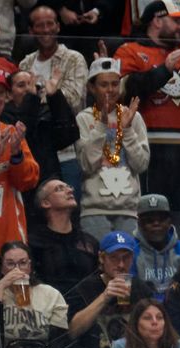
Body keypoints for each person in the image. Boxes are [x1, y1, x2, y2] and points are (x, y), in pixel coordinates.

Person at [116, 0, 180, 213]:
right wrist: (163, 71)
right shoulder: (130, 51)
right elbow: (124, 91)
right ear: (156, 20)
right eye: (175, 21)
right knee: (153, 213)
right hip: (151, 148)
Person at [76, 58, 149, 240]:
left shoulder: (133, 117)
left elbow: (141, 165)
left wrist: (127, 129)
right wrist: (101, 126)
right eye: (104, 85)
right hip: (94, 210)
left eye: (115, 84)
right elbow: (86, 165)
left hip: (129, 209)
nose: (110, 90)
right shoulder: (83, 118)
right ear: (92, 88)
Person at [18, 4, 88, 195]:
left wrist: (36, 99)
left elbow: (74, 100)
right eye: (40, 25)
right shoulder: (25, 63)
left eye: (50, 23)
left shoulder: (74, 59)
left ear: (58, 26)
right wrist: (51, 95)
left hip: (67, 151)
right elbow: (19, 106)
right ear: (31, 31)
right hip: (34, 152)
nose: (46, 29)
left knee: (68, 212)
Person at [63, 231, 155, 348]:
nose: (121, 265)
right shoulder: (85, 288)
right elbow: (73, 331)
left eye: (126, 258)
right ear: (101, 258)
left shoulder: (141, 289)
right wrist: (104, 297)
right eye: (114, 258)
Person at [0, 70, 38, 266]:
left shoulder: (11, 132)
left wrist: (16, 155)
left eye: (0, 94)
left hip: (9, 235)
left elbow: (29, 180)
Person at [1, 69, 77, 197]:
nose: (28, 89)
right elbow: (24, 134)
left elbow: (68, 136)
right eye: (21, 85)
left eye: (32, 85)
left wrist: (55, 97)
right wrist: (32, 99)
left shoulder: (45, 111)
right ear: (9, 94)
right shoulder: (3, 116)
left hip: (50, 181)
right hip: (20, 184)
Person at [27, 178, 98, 296]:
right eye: (59, 189)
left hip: (88, 308)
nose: (69, 191)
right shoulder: (34, 243)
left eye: (69, 187)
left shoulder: (89, 242)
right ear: (45, 203)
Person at [133, 194, 180, 298]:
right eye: (149, 220)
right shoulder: (131, 250)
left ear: (170, 221)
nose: (156, 224)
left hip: (176, 308)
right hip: (143, 309)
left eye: (161, 219)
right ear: (139, 223)